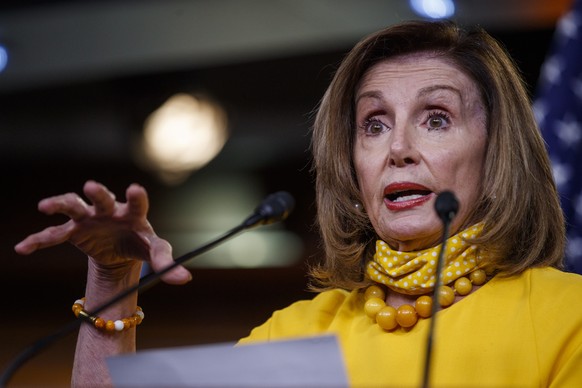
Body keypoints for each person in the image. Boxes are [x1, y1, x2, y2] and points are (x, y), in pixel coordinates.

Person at [15, 20, 582, 387]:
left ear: (497, 149)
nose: (399, 149)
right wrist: (111, 282)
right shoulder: (296, 335)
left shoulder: (568, 317)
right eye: (374, 124)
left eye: (436, 118)